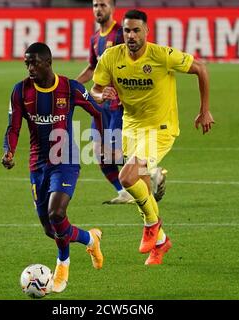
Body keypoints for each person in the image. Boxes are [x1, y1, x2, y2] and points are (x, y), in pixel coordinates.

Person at [91, 9, 214, 265]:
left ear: (147, 31)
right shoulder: (112, 57)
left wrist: (204, 111)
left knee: (127, 177)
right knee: (142, 191)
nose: (131, 35)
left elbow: (201, 68)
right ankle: (161, 242)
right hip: (131, 127)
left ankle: (151, 226)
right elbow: (95, 89)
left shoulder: (162, 55)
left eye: (136, 30)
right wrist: (103, 96)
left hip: (160, 128)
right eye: (127, 30)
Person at [1, 42, 104, 293]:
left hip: (65, 159)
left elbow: (98, 112)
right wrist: (9, 150)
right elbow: (13, 127)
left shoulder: (70, 88)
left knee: (57, 214)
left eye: (34, 62)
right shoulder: (20, 91)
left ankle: (62, 264)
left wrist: (102, 142)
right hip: (37, 164)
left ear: (48, 63)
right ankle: (90, 239)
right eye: (26, 63)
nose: (29, 67)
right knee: (51, 229)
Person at [77, 0, 166, 205]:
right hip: (100, 104)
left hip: (119, 104)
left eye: (103, 5)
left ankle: (150, 170)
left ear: (113, 8)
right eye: (95, 5)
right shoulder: (94, 38)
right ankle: (124, 190)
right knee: (99, 152)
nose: (99, 9)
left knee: (118, 152)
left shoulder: (122, 33)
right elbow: (92, 69)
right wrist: (71, 84)